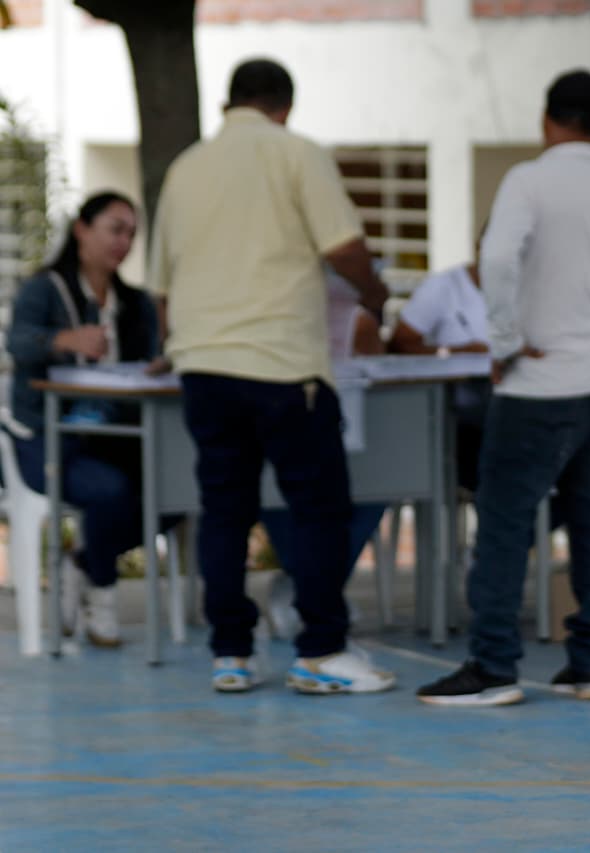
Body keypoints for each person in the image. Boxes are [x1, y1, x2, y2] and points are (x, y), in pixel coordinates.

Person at [147, 58, 395, 693]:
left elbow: (163, 287)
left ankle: (230, 653)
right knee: (318, 509)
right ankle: (321, 651)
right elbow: (343, 247)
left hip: (203, 367)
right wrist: (374, 294)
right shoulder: (296, 153)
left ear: (231, 103)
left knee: (224, 511)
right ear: (283, 105)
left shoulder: (185, 168)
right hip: (284, 366)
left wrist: (178, 345)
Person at [416, 69, 590, 706]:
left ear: (547, 122)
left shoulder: (529, 181)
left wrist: (504, 340)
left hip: (537, 386)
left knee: (504, 526)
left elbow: (496, 256)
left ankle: (493, 666)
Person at [5, 191, 165, 647]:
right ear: (82, 229)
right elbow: (18, 343)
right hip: (45, 436)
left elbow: (148, 359)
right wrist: (65, 340)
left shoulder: (136, 303)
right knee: (110, 490)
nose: (124, 242)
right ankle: (102, 592)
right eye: (115, 229)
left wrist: (157, 366)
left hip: (115, 432)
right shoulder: (45, 289)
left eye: (132, 233)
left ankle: (85, 561)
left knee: (174, 492)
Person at [261, 267, 388, 639]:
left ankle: (313, 586)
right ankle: (315, 587)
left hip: (340, 430)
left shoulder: (356, 323)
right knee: (283, 492)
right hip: (296, 426)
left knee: (370, 489)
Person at [388, 259, 490, 492]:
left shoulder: (533, 284)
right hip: (461, 402)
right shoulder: (444, 286)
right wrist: (455, 351)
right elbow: (400, 342)